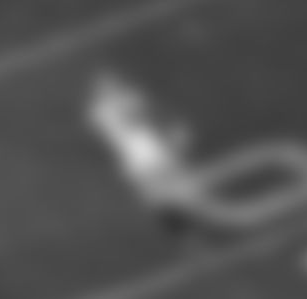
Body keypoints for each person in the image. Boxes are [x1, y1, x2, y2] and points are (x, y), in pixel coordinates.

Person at [86, 71, 214, 238]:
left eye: (113, 82)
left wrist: (173, 134)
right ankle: (187, 237)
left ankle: (201, 227)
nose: (112, 86)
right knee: (159, 200)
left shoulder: (131, 96)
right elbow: (126, 121)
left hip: (157, 151)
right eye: (106, 84)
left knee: (183, 188)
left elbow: (155, 116)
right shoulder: (101, 111)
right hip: (137, 160)